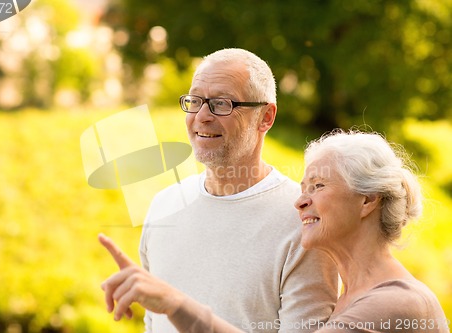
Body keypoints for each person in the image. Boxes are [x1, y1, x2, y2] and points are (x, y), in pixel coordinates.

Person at [99, 129, 450, 333]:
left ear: (367, 201)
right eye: (302, 187)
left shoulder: (394, 304)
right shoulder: (352, 297)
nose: (300, 202)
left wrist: (176, 304)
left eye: (318, 186)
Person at [101, 48, 339, 332]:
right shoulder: (164, 205)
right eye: (195, 101)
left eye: (221, 104)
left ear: (266, 117)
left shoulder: (304, 219)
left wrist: (176, 304)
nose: (201, 116)